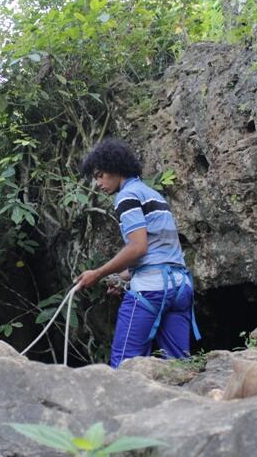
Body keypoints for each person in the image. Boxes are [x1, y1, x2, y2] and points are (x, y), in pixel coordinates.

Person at [75, 138, 200, 368]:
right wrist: (120, 277)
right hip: (181, 287)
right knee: (179, 366)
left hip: (151, 290)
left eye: (100, 175)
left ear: (114, 168)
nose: (98, 183)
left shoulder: (127, 196)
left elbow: (138, 248)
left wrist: (98, 273)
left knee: (124, 365)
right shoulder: (153, 195)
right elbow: (158, 254)